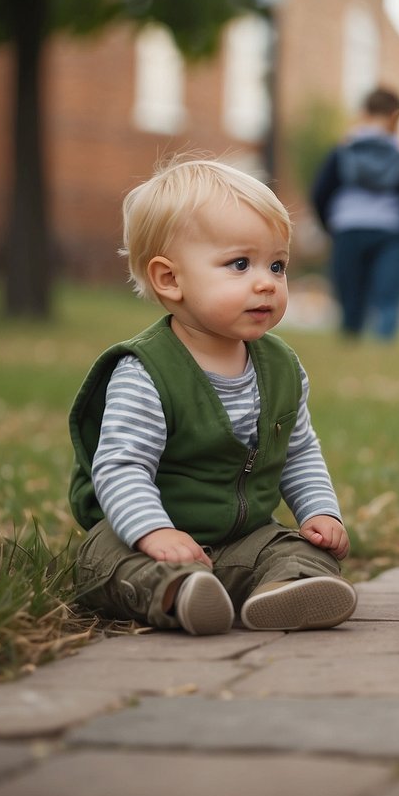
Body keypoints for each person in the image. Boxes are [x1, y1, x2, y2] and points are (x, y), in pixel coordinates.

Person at [67, 157, 357, 635]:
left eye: (277, 265)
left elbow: (299, 452)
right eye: (240, 264)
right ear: (170, 279)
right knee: (108, 561)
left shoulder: (281, 368)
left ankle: (288, 588)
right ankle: (178, 594)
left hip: (243, 540)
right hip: (139, 538)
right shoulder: (146, 372)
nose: (266, 282)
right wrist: (154, 533)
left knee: (297, 549)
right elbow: (121, 466)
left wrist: (320, 512)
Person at [311, 87, 399, 341]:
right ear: (396, 116)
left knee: (349, 297)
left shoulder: (342, 153)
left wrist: (330, 226)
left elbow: (320, 193)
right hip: (391, 233)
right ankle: (384, 348)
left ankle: (350, 344)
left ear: (364, 113)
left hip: (348, 229)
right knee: (388, 299)